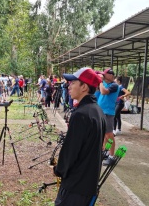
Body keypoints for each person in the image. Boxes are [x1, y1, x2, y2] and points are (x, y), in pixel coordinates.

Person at [53, 67, 106, 206]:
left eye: (73, 83)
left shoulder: (81, 114)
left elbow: (71, 151)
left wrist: (59, 169)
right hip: (89, 183)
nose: (69, 86)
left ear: (84, 87)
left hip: (76, 185)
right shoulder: (97, 110)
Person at [97, 68, 120, 166]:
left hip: (108, 113)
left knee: (109, 135)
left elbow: (103, 92)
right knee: (105, 135)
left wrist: (101, 81)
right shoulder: (106, 84)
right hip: (102, 112)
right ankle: (106, 151)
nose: (103, 76)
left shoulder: (114, 85)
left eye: (105, 75)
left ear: (111, 75)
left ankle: (111, 156)